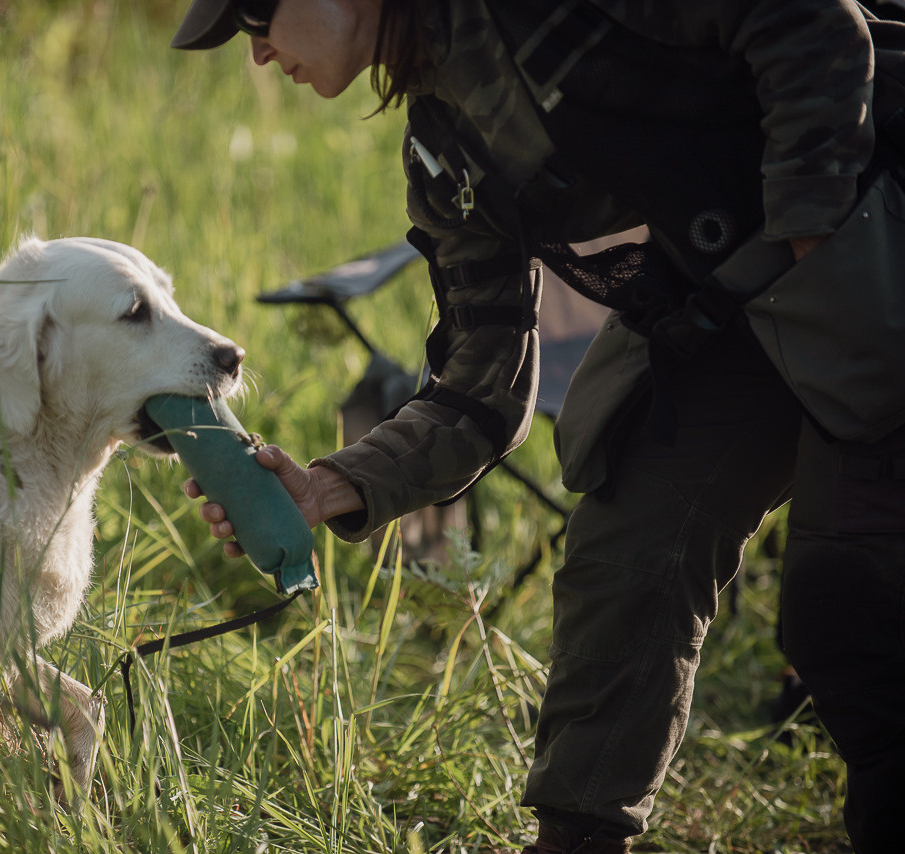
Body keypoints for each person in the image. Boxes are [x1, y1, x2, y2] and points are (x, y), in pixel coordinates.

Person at [171, 2, 905, 852]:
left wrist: (815, 239)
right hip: (733, 313)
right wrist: (333, 486)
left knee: (848, 602)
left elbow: (811, 21)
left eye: (256, 13)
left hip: (870, 235)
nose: (259, 53)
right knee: (625, 555)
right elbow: (482, 388)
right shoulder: (444, 154)